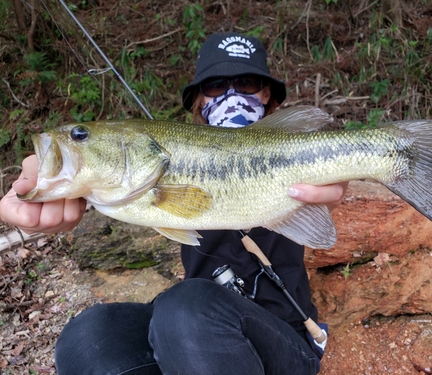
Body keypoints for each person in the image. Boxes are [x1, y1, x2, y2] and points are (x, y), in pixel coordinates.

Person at [0, 32, 348, 375]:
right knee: (88, 337)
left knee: (185, 307)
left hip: (283, 341)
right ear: (199, 99)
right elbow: (76, 181)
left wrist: (342, 169)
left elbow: (328, 182)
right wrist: (35, 186)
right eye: (215, 86)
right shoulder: (142, 176)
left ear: (268, 94)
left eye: (246, 83)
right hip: (197, 344)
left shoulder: (297, 158)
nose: (231, 96)